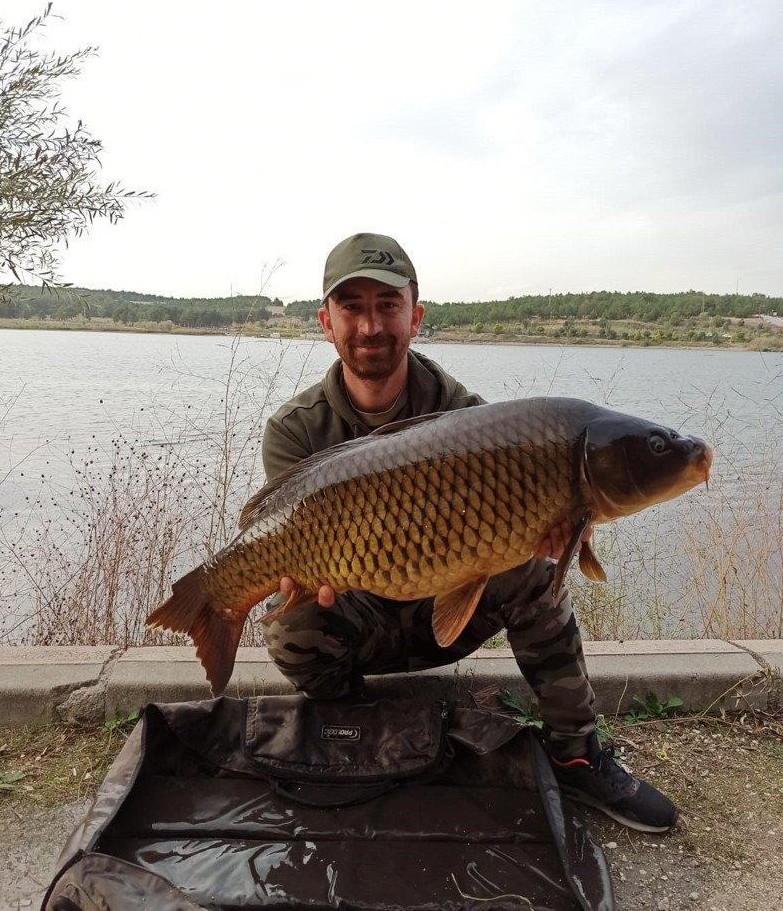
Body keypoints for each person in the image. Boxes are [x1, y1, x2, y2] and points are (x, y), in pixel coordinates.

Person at [260, 232, 677, 834]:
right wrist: (302, 579)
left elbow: (513, 535)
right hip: (360, 619)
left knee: (533, 569)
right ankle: (357, 729)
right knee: (288, 617)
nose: (371, 326)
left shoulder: (467, 417)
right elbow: (293, 542)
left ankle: (577, 753)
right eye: (353, 307)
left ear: (416, 316)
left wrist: (546, 534)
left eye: (388, 305)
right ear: (327, 321)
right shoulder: (295, 430)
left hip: (453, 608)